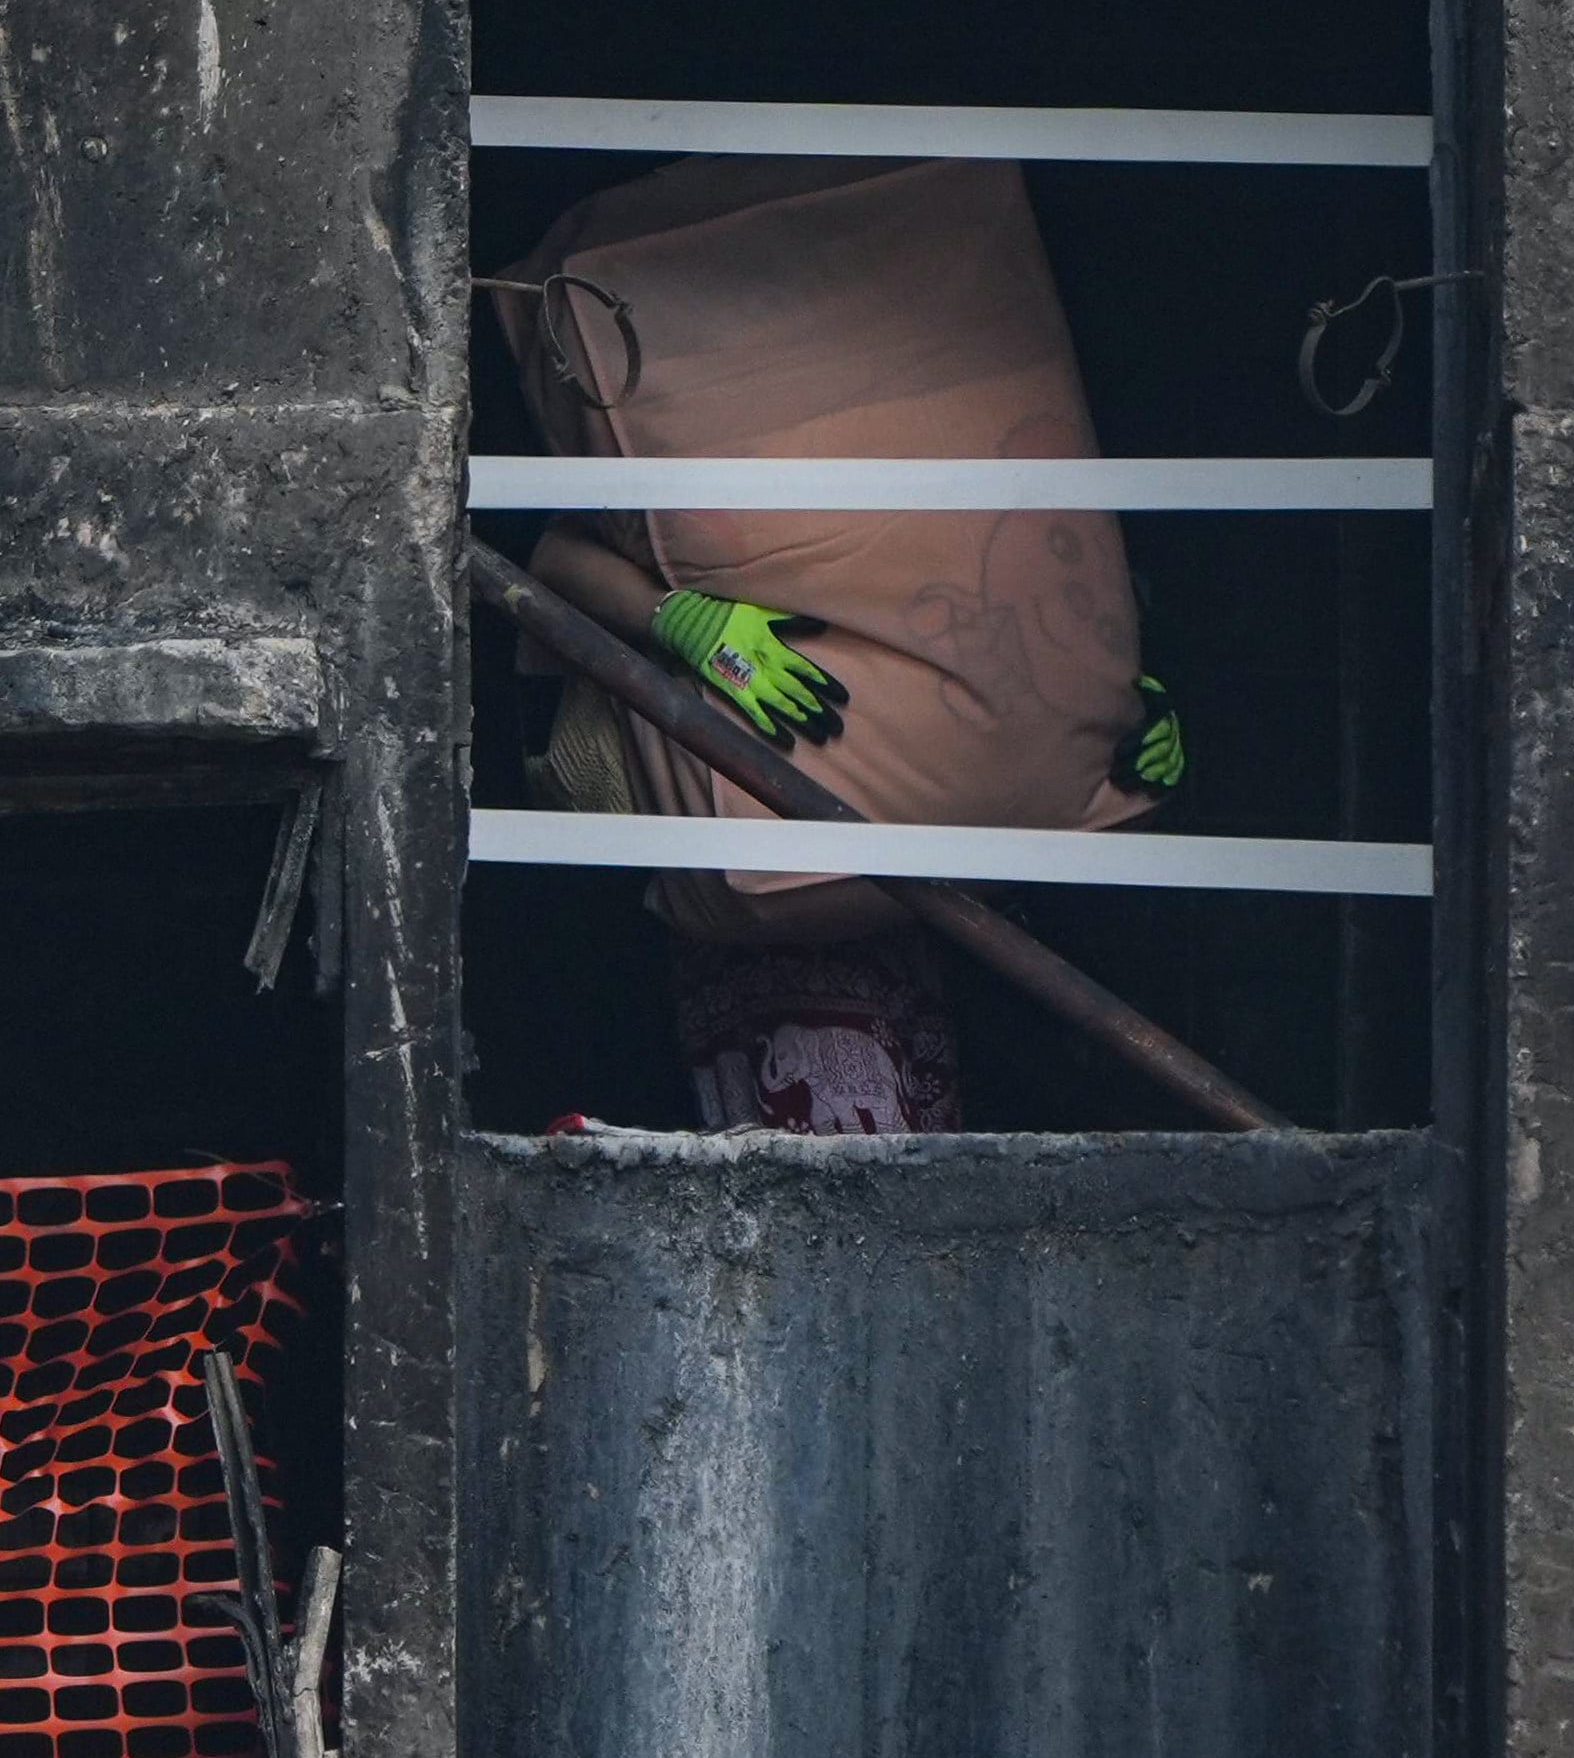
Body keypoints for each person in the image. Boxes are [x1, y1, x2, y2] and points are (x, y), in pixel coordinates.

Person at [493, 154, 1183, 1135]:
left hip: (984, 925)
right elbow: (548, 555)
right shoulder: (686, 447)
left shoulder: (988, 454)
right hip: (773, 930)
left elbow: (1066, 589)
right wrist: (681, 621)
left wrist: (1112, 700)